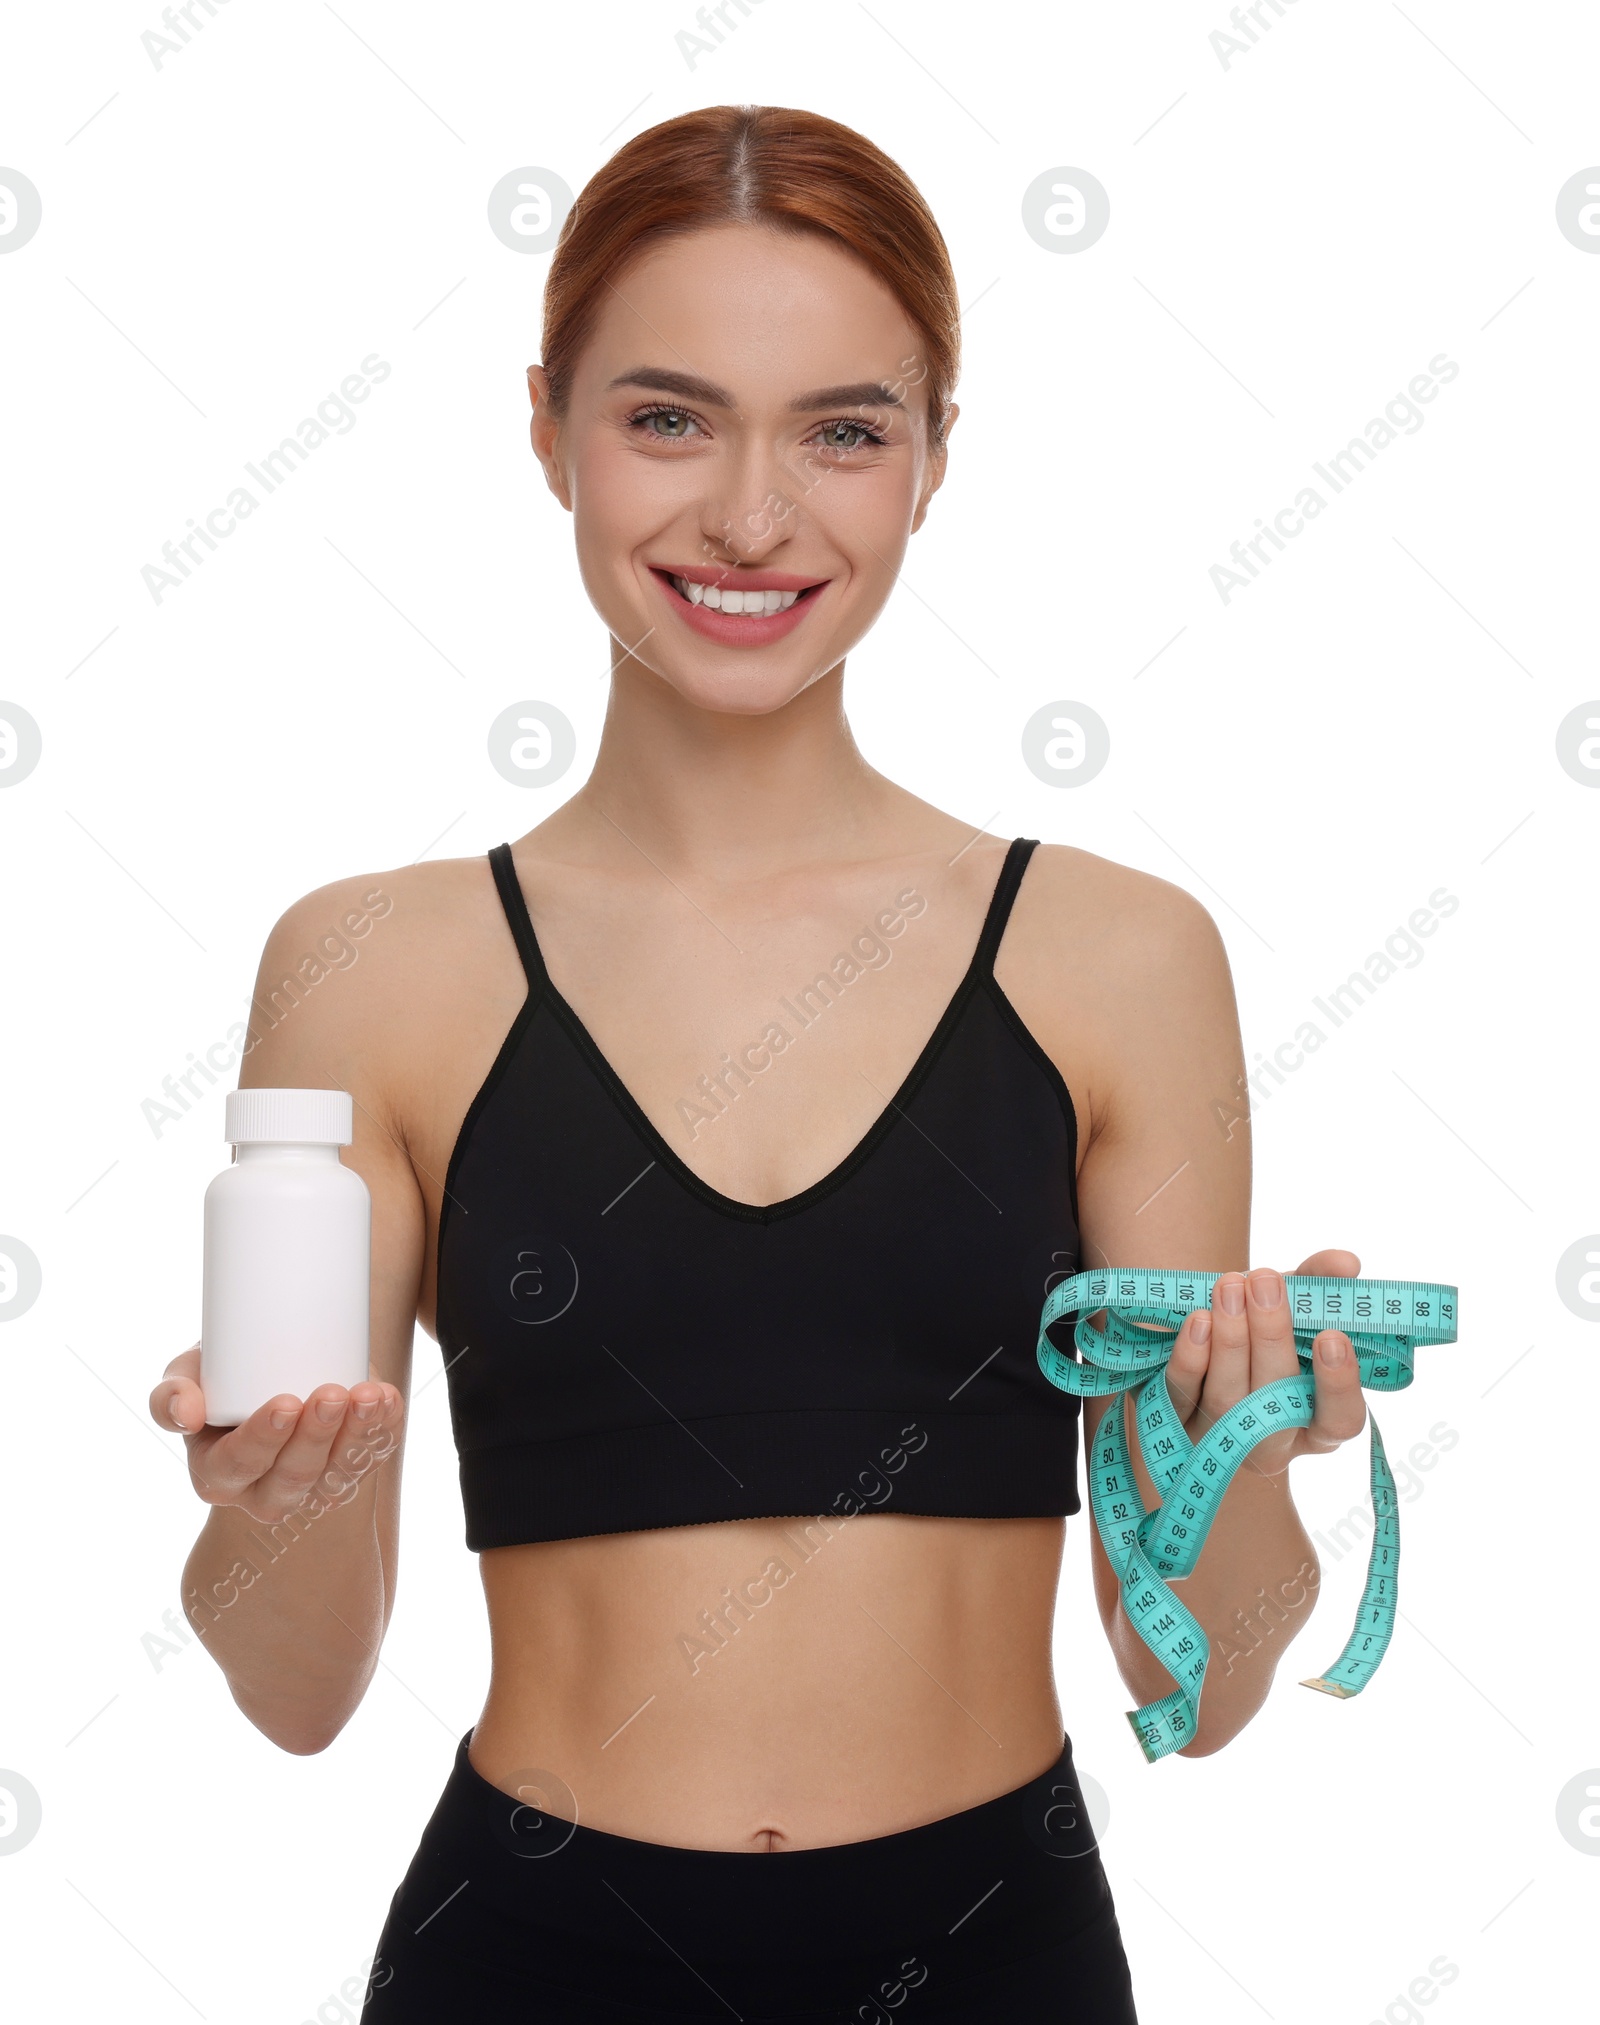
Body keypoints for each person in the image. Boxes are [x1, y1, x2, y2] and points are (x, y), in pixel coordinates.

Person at [150, 104, 1368, 2022]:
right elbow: (296, 1695)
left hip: (995, 1959)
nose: (746, 516)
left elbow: (1200, 1680)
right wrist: (266, 1495)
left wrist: (1256, 1451)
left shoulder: (1119, 957)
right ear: (546, 425)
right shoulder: (372, 968)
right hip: (529, 1963)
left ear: (935, 459)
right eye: (666, 417)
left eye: (844, 429)